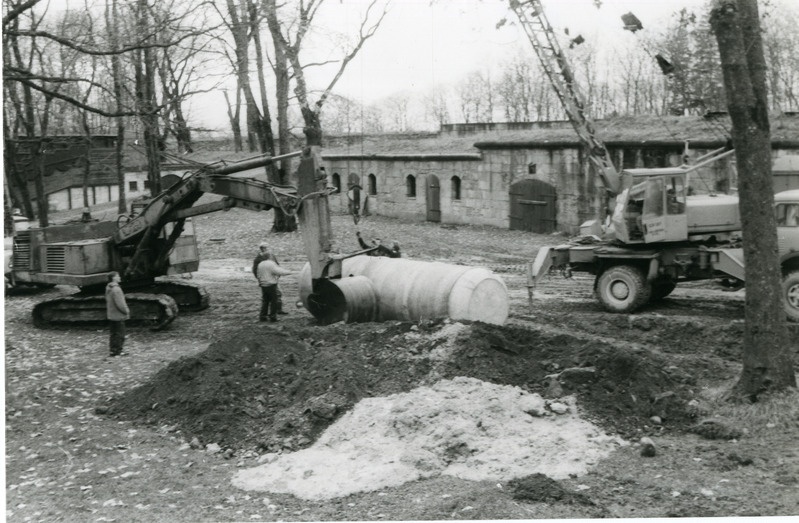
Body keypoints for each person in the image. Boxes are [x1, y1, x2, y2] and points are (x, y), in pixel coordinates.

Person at [256, 250, 295, 322]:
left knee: (265, 301)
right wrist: (290, 272)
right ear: (269, 256)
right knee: (274, 301)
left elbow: (258, 275)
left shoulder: (260, 264)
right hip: (271, 285)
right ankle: (273, 317)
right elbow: (278, 271)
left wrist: (260, 282)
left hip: (263, 285)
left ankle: (263, 316)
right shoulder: (271, 263)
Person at [252, 242, 287, 314]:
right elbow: (255, 270)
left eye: (267, 248)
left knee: (277, 294)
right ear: (263, 249)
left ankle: (276, 310)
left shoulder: (271, 256)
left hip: (273, 279)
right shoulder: (258, 259)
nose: (268, 249)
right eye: (266, 248)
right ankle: (272, 313)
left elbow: (277, 265)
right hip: (266, 281)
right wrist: (260, 279)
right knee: (270, 297)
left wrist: (277, 275)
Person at [105, 271, 130, 357]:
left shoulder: (108, 287)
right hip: (118, 315)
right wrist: (126, 311)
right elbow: (120, 304)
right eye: (118, 276)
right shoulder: (117, 289)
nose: (119, 277)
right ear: (114, 278)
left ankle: (113, 351)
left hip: (112, 315)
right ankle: (118, 351)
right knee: (120, 334)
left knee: (113, 333)